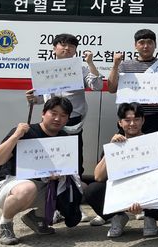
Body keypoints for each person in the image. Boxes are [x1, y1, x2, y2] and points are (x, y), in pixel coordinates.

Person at [0, 97, 77, 245]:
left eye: (63, 116)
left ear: (67, 119)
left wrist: (59, 175)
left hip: (40, 186)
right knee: (27, 188)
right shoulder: (26, 132)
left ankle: (37, 217)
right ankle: (5, 224)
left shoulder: (64, 138)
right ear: (43, 113)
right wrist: (16, 136)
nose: (57, 118)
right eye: (53, 113)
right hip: (8, 184)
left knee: (73, 189)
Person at [25, 33, 103, 177]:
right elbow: (42, 98)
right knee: (49, 154)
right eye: (63, 44)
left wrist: (90, 63)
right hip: (50, 118)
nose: (67, 48)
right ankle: (48, 187)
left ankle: (74, 187)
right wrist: (33, 99)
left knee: (73, 155)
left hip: (72, 119)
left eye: (72, 46)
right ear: (54, 48)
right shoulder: (44, 69)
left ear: (75, 51)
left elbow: (97, 85)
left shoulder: (81, 69)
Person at [83, 102, 158, 238]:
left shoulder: (152, 143)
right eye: (127, 120)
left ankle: (150, 218)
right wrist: (111, 148)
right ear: (120, 123)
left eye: (136, 119)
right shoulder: (114, 144)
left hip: (144, 189)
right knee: (92, 190)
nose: (132, 124)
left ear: (143, 120)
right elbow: (98, 177)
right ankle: (117, 217)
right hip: (120, 191)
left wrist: (143, 200)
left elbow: (156, 175)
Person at [107, 28, 158, 136]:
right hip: (128, 117)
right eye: (141, 42)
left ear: (155, 44)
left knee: (153, 149)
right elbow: (111, 89)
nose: (145, 46)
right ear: (135, 45)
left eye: (149, 42)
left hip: (153, 117)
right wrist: (115, 65)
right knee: (127, 149)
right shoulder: (124, 65)